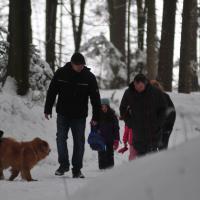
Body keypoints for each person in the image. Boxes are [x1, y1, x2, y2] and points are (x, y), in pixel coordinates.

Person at [44, 52, 101, 178]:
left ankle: (77, 169)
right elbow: (52, 91)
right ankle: (63, 165)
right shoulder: (61, 73)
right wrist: (48, 108)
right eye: (78, 65)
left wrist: (96, 116)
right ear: (72, 64)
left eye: (82, 65)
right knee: (60, 139)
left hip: (79, 116)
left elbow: (96, 98)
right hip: (63, 113)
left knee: (79, 142)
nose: (80, 67)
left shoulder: (89, 77)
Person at [119, 74, 167, 156]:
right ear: (134, 83)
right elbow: (123, 108)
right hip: (138, 135)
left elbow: (163, 108)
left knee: (152, 161)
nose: (138, 89)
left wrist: (158, 123)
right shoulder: (129, 93)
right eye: (137, 86)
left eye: (141, 87)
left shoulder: (155, 92)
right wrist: (130, 122)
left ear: (145, 83)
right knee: (141, 162)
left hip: (153, 134)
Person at [150, 80, 176, 150]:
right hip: (153, 130)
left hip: (164, 128)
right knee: (153, 151)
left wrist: (168, 127)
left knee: (162, 150)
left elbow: (171, 113)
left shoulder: (165, 97)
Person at [97, 98, 120, 169]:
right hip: (100, 138)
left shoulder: (113, 116)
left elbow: (116, 129)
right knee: (101, 153)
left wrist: (116, 140)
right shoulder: (97, 115)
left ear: (108, 106)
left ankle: (110, 167)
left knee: (110, 153)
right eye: (102, 106)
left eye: (105, 106)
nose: (103, 108)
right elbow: (94, 126)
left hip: (110, 138)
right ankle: (102, 167)